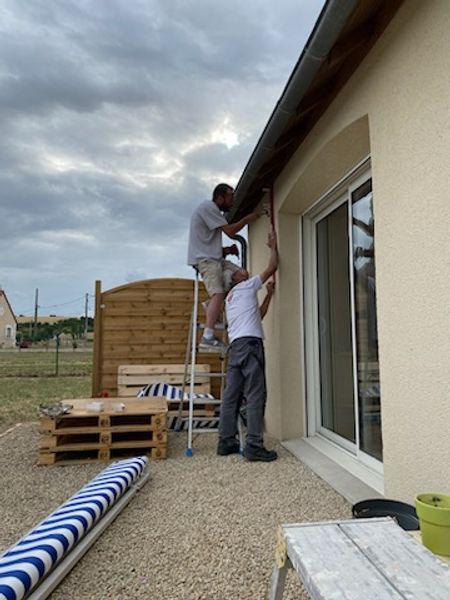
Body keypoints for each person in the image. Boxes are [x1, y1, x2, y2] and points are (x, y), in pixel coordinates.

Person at [217, 228, 278, 462]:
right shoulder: (245, 286)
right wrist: (272, 246)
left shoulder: (230, 299)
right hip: (250, 346)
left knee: (231, 395)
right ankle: (254, 445)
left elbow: (257, 316)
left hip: (236, 348)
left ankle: (226, 441)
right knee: (255, 394)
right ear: (236, 279)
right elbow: (272, 267)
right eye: (238, 271)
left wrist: (269, 295)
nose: (242, 269)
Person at [187, 183, 261, 350]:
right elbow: (230, 231)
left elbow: (207, 242)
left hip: (215, 259)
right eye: (230, 197)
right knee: (218, 293)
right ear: (220, 198)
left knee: (242, 275)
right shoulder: (208, 207)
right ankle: (207, 337)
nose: (233, 201)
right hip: (205, 261)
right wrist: (247, 219)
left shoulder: (212, 212)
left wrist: (227, 250)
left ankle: (211, 304)